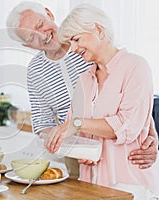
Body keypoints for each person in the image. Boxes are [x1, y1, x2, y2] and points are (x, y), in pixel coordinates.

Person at [6, 1, 158, 179]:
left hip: (121, 148)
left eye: (40, 24)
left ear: (49, 13)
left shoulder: (90, 44)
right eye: (31, 37)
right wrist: (76, 145)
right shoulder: (36, 71)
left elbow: (132, 97)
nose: (41, 35)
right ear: (27, 46)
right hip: (79, 153)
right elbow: (42, 122)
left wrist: (151, 135)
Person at [44, 3, 159, 199]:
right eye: (69, 44)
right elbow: (75, 129)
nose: (72, 49)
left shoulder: (135, 67)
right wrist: (80, 149)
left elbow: (127, 126)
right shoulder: (85, 79)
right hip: (90, 185)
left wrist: (76, 124)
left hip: (129, 186)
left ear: (98, 29)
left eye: (76, 39)